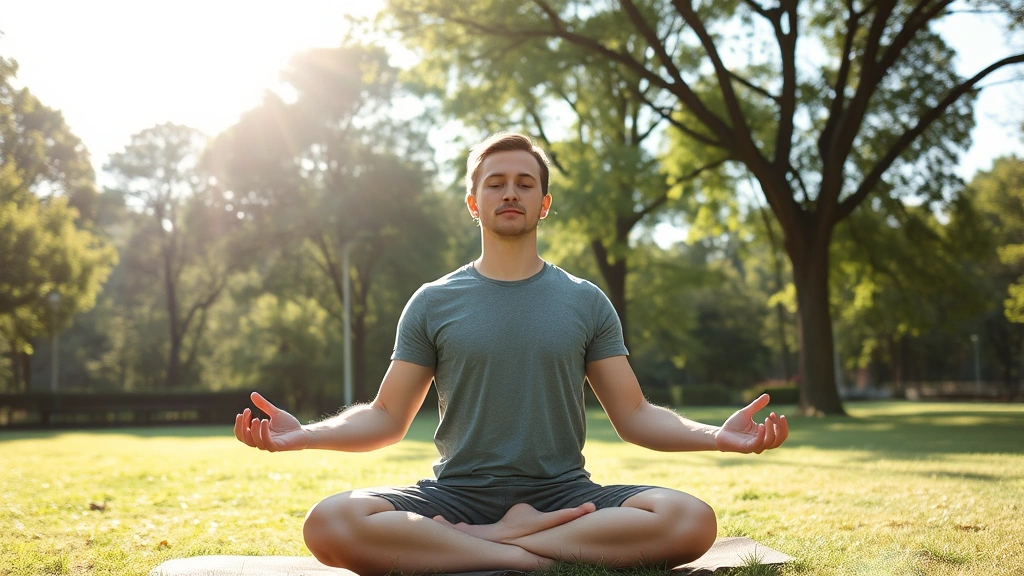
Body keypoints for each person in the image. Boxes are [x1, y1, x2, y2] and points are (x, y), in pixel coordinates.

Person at [234, 132, 789, 575]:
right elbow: (384, 418)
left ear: (543, 203)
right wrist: (305, 434)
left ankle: (481, 546)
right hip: (456, 496)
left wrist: (718, 436)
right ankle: (514, 549)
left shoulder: (584, 301)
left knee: (690, 520)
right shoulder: (433, 301)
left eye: (525, 183)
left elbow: (636, 416)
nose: (511, 192)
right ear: (474, 202)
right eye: (496, 182)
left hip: (564, 494)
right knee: (330, 523)